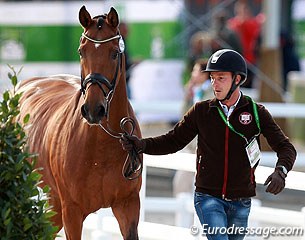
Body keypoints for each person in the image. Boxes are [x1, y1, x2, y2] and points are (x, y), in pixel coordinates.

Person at [120, 49, 296, 239]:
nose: (214, 83)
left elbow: (286, 147)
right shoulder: (201, 111)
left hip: (242, 200)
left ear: (237, 79)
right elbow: (173, 140)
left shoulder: (256, 112)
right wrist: (142, 145)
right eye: (212, 78)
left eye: (221, 78)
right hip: (208, 197)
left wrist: (281, 171)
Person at [228, 1, 264, 88]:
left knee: (247, 84)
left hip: (249, 59)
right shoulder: (233, 23)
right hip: (236, 58)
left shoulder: (251, 23)